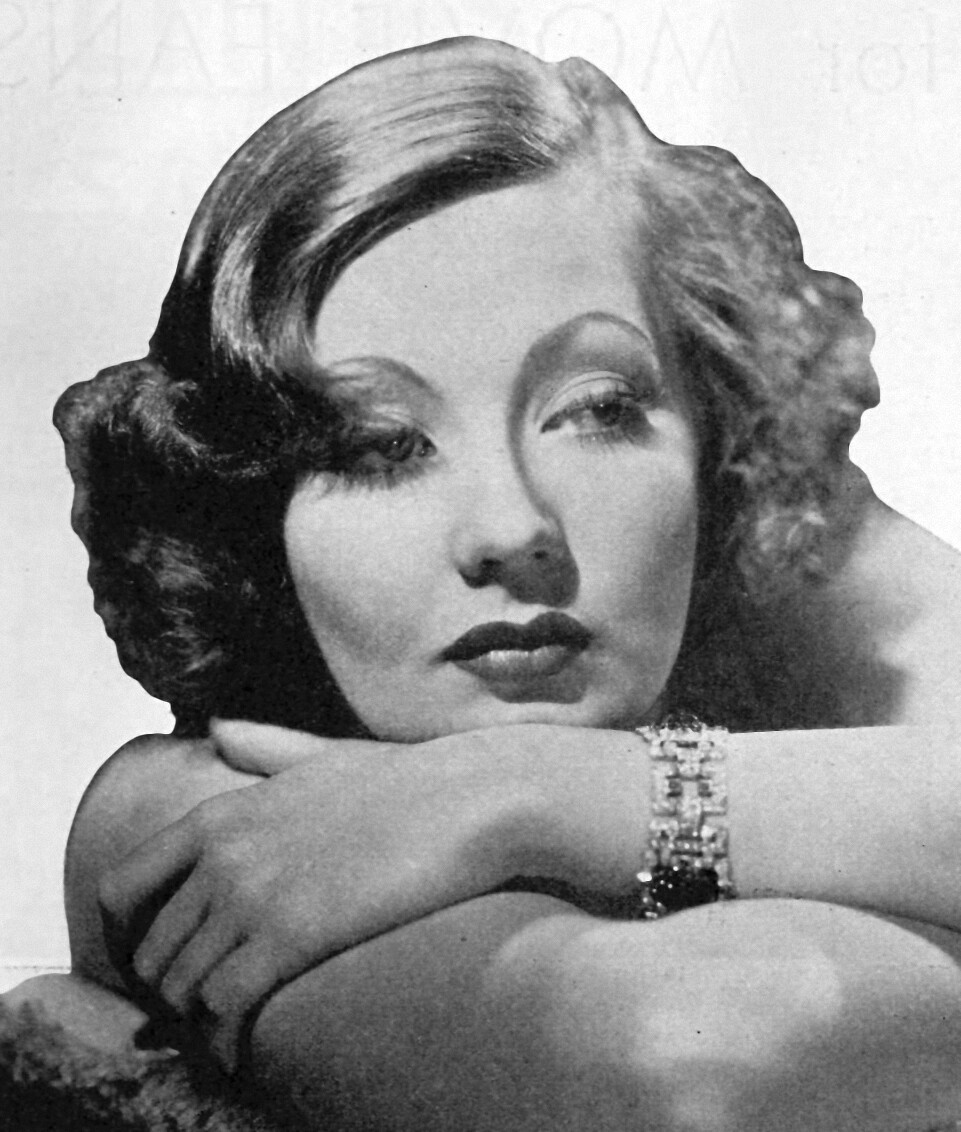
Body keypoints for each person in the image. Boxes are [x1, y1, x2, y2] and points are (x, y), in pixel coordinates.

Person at [12, 35, 961, 1131]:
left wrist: (524, 794)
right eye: (378, 446)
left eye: (599, 410)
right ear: (247, 503)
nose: (513, 529)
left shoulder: (724, 591)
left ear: (715, 446)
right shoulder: (192, 816)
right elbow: (705, 1058)